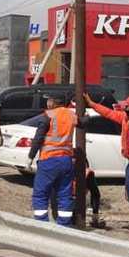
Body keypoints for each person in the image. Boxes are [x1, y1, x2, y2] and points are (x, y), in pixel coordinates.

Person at [84, 93, 129, 241]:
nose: (124, 108)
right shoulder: (126, 119)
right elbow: (109, 113)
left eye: (127, 106)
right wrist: (92, 104)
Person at [26, 94, 77, 226]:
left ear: (53, 103)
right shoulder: (71, 115)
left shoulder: (48, 116)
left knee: (40, 194)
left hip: (49, 160)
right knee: (65, 194)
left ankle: (42, 225)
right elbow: (83, 122)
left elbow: (38, 138)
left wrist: (30, 157)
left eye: (49, 100)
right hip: (66, 160)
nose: (47, 102)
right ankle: (64, 225)